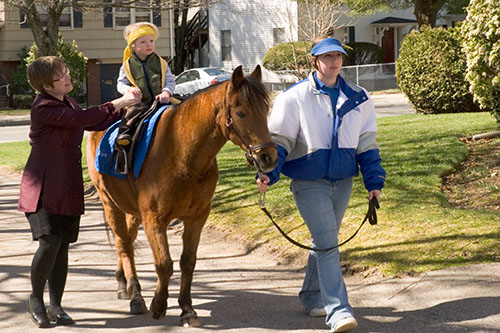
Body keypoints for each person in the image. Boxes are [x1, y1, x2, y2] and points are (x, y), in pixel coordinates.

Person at [256, 36, 386, 332]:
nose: (334, 61)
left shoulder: (359, 97)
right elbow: (281, 144)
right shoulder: (295, 97)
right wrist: (269, 174)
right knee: (328, 242)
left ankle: (312, 296)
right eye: (327, 57)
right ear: (314, 61)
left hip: (343, 181)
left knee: (323, 242)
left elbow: (367, 145)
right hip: (308, 181)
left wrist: (373, 181)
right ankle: (338, 310)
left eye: (338, 56)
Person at [17, 56, 140, 328]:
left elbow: (90, 122)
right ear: (48, 84)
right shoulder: (44, 107)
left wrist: (126, 109)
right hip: (43, 184)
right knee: (49, 242)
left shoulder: (68, 102)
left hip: (68, 184)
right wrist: (118, 102)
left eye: (66, 72)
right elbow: (80, 119)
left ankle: (56, 305)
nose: (68, 77)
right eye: (62, 75)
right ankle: (35, 299)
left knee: (61, 247)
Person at [115, 21, 176, 146]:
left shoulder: (161, 62)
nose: (149, 44)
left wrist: (166, 91)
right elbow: (120, 84)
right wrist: (128, 90)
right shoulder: (127, 65)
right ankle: (124, 136)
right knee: (131, 114)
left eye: (151, 41)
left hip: (161, 100)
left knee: (183, 107)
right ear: (133, 46)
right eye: (143, 42)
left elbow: (170, 80)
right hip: (140, 102)